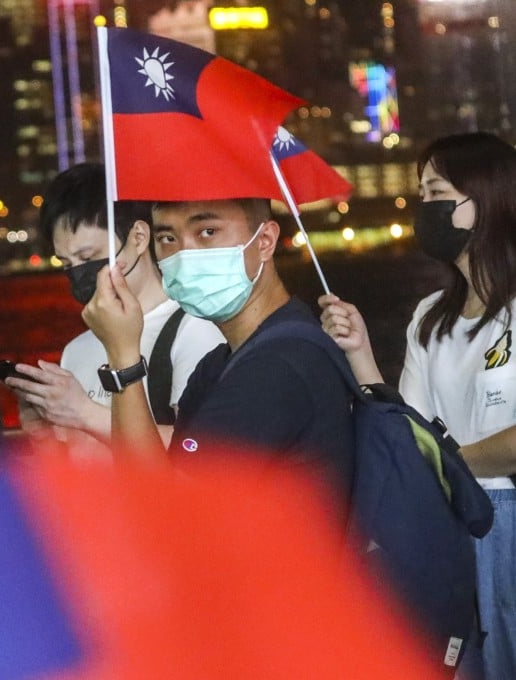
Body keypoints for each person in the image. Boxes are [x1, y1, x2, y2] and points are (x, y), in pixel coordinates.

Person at [319, 132, 516, 679]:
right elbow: (409, 433)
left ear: (488, 198)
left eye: (437, 192)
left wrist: (446, 464)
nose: (424, 207)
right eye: (422, 192)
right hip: (449, 529)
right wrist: (360, 352)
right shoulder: (431, 316)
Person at [83, 198, 355, 521]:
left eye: (207, 232)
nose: (185, 255)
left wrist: (123, 356)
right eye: (167, 239)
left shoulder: (275, 369)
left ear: (265, 241)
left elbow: (162, 513)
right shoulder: (223, 361)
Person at [5, 163, 223, 459]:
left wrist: (83, 411)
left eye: (89, 257)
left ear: (138, 238)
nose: (80, 275)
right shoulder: (77, 349)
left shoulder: (196, 331)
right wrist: (44, 435)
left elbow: (200, 451)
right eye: (67, 265)